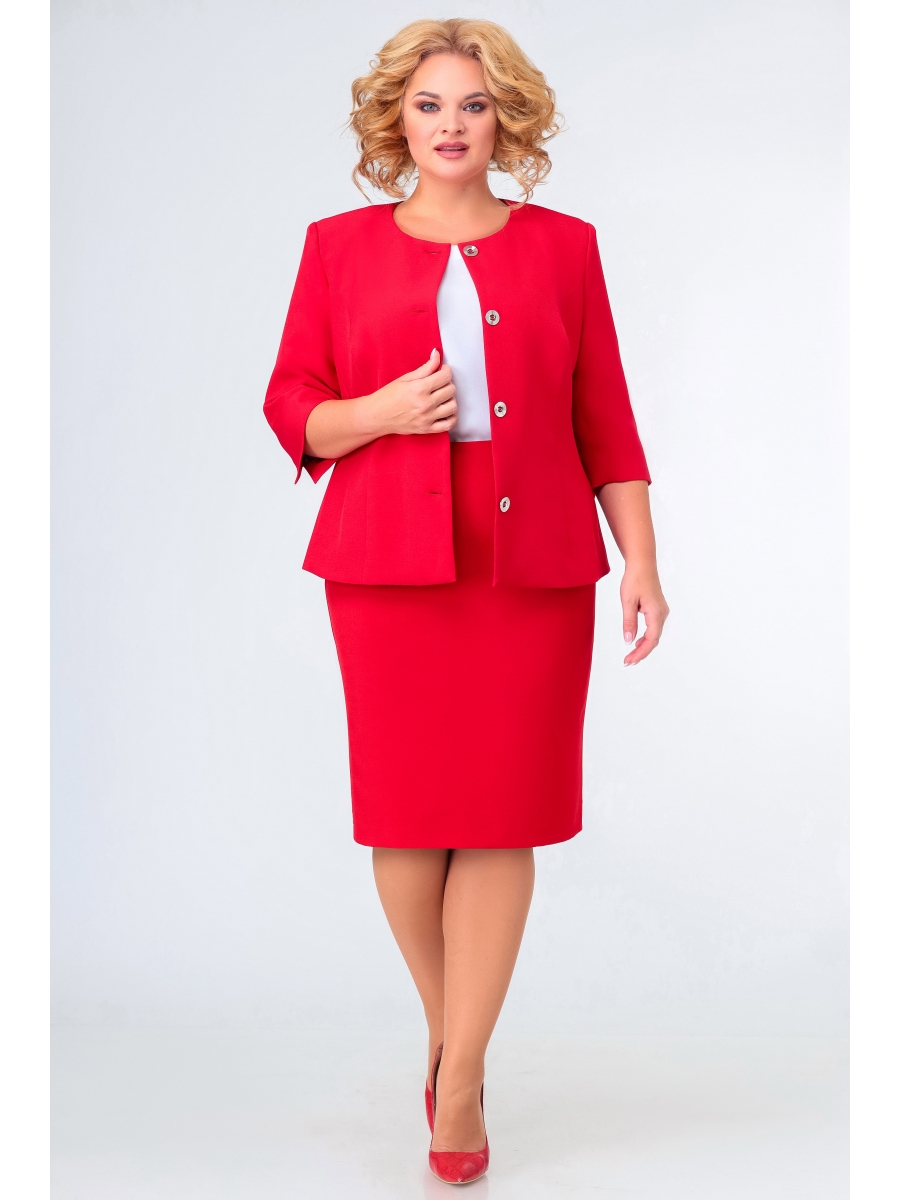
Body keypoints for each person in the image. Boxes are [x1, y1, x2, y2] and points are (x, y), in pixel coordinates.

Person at [263, 17, 669, 1185]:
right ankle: (455, 1043)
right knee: (404, 816)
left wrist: (641, 560)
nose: (451, 125)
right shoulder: (336, 247)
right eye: (430, 103)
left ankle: (459, 1075)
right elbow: (292, 403)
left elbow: (607, 419)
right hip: (385, 562)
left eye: (474, 105)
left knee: (502, 815)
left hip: (531, 566)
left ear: (507, 120)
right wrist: (379, 413)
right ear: (397, 118)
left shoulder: (566, 248)